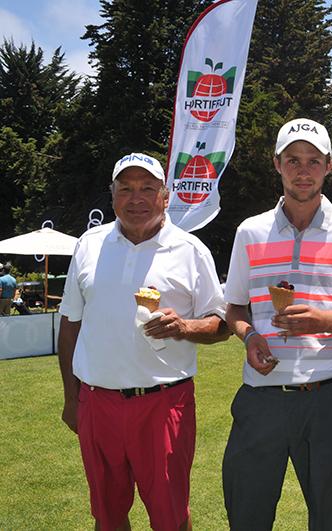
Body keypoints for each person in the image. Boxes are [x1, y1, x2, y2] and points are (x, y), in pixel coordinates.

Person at [58, 152, 230, 531]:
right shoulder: (89, 244)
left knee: (171, 516)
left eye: (148, 189)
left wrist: (184, 327)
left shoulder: (190, 250)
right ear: (113, 196)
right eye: (126, 189)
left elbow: (222, 324)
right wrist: (72, 399)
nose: (136, 198)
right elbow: (70, 324)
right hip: (97, 402)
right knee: (107, 515)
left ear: (165, 197)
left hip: (164, 403)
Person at [222, 118, 332, 530]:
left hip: (329, 396)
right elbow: (234, 308)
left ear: (329, 165)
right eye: (293, 160)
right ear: (277, 164)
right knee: (247, 515)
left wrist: (326, 321)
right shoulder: (250, 232)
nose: (303, 171)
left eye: (313, 161)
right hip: (262, 397)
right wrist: (249, 336)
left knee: (327, 518)